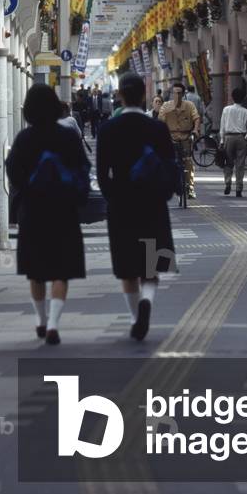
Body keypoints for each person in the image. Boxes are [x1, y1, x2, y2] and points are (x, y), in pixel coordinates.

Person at [96, 72, 179, 341]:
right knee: (150, 267)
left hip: (121, 204)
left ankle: (135, 319)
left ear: (120, 94)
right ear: (144, 95)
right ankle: (147, 302)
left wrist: (112, 197)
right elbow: (170, 164)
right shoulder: (157, 128)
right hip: (152, 204)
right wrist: (165, 194)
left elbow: (101, 173)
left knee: (127, 267)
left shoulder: (108, 129)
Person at [6, 85, 90, 345]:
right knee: (60, 270)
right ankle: (54, 323)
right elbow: (83, 169)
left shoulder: (24, 139)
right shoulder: (67, 137)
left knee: (36, 270)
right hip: (63, 210)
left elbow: (14, 175)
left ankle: (41, 321)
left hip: (33, 211)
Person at [159, 82, 201, 199]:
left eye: (179, 93)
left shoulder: (189, 105)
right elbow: (160, 121)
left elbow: (196, 118)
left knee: (188, 161)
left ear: (183, 94)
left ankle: (190, 187)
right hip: (171, 138)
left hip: (185, 137)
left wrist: (196, 130)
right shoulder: (166, 106)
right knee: (169, 162)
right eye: (175, 93)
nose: (177, 95)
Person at [219, 86, 247, 197]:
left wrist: (221, 140)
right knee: (240, 164)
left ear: (232, 97)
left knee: (228, 162)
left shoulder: (226, 110)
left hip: (228, 138)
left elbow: (222, 127)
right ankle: (239, 188)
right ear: (243, 98)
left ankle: (228, 182)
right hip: (241, 138)